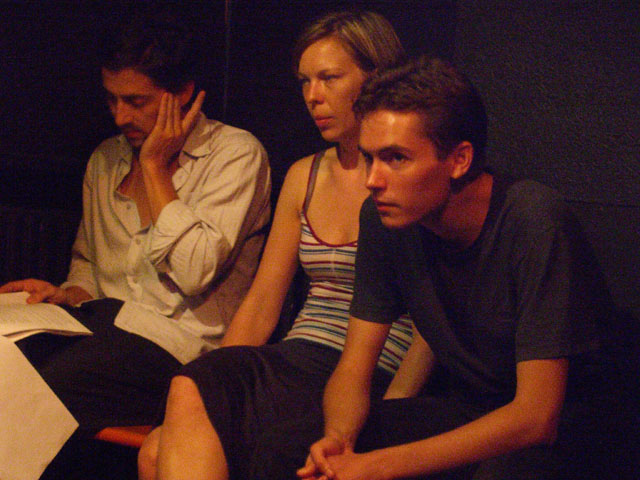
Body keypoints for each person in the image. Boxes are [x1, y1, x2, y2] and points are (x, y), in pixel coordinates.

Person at [249, 56, 636, 479]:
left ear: (459, 159)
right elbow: (354, 368)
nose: (373, 179)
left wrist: (378, 466)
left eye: (396, 158)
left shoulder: (533, 219)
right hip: (472, 408)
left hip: (576, 428)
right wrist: (339, 441)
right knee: (285, 450)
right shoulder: (382, 219)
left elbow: (537, 416)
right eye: (369, 158)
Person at [137, 11, 416, 480]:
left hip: (369, 369)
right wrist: (217, 383)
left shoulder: (408, 175)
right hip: (298, 354)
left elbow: (431, 317)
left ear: (375, 78)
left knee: (253, 448)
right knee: (162, 435)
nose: (313, 96)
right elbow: (263, 302)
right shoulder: (306, 174)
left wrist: (396, 410)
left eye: (329, 78)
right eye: (305, 81)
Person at [0, 11, 270, 445]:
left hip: (182, 352)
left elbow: (194, 272)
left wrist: (155, 168)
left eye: (136, 102)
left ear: (182, 92)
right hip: (102, 331)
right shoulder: (106, 159)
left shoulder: (235, 154)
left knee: (34, 389)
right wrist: (65, 295)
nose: (120, 116)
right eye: (111, 100)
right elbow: (90, 268)